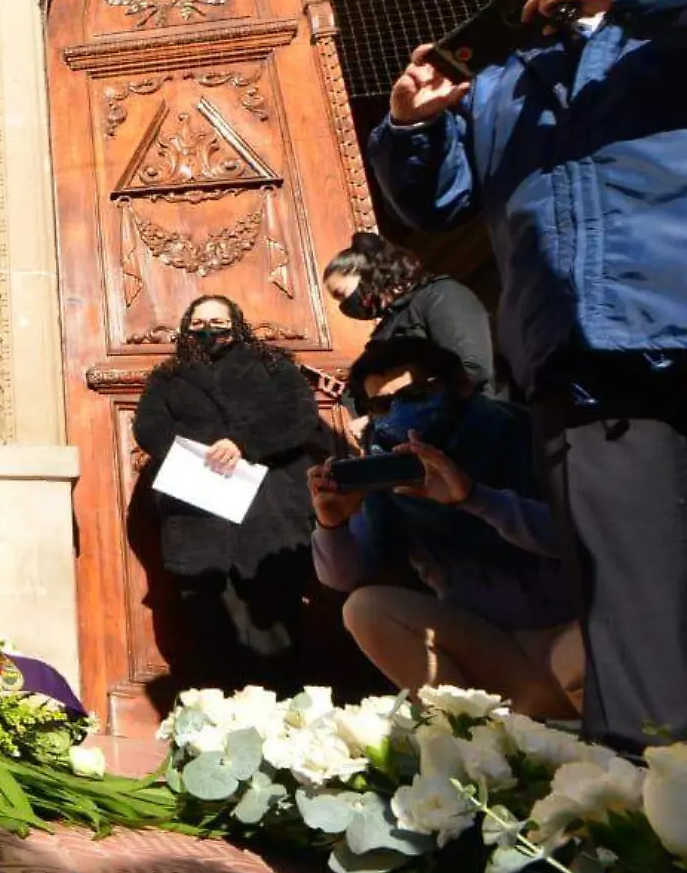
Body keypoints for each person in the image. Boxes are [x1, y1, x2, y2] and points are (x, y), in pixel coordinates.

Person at [365, 0, 687, 751]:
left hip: (675, 305)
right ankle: (649, 834)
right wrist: (409, 126)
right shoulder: (506, 76)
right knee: (630, 605)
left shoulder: (662, 1)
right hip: (583, 361)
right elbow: (437, 202)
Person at [310, 338, 582, 718]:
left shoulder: (525, 431)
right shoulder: (389, 467)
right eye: (383, 405)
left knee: (576, 666)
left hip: (577, 624)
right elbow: (344, 577)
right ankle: (472, 742)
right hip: (489, 642)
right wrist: (332, 524)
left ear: (459, 385)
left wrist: (475, 497)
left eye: (416, 393)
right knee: (365, 608)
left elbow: (582, 538)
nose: (400, 411)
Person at [131, 295, 325, 691]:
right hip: (198, 507)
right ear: (186, 328)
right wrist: (201, 452)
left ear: (237, 322)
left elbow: (300, 415)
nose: (209, 329)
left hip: (268, 505)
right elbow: (149, 426)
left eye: (219, 321)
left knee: (272, 617)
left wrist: (244, 443)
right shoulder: (168, 374)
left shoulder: (274, 364)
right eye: (199, 322)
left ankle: (284, 720)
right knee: (206, 619)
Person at [323, 231, 498, 399]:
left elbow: (473, 367)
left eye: (341, 294)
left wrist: (398, 397)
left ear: (365, 273)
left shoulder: (440, 295)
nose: (345, 305)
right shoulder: (384, 330)